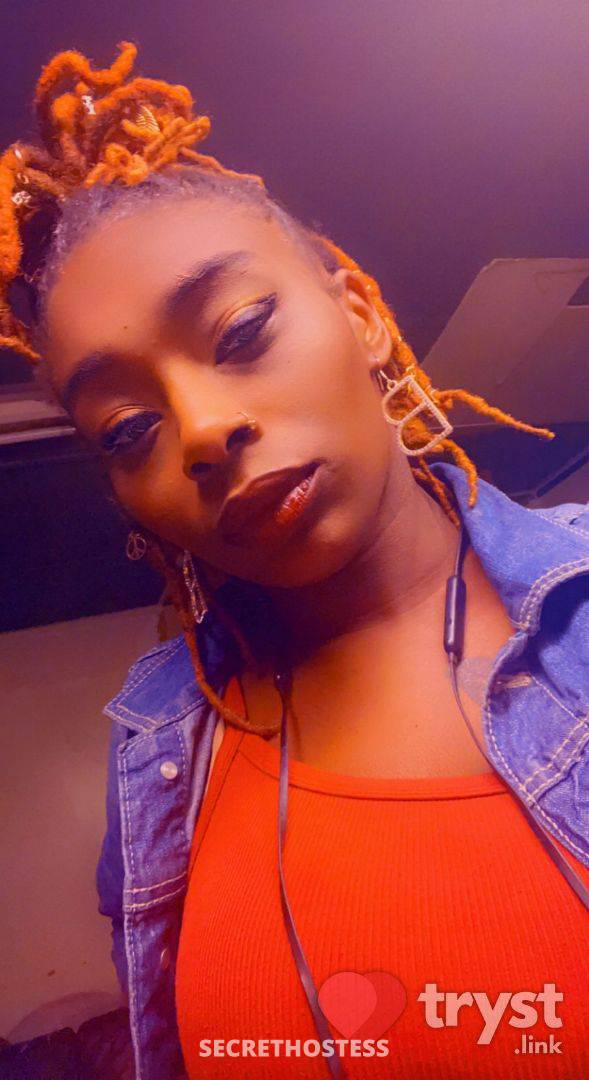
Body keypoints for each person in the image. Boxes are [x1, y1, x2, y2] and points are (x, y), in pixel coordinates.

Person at [1, 40, 588, 1080]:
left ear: (358, 315)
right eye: (128, 429)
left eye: (238, 333)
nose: (201, 429)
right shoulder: (161, 743)